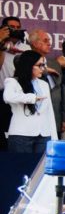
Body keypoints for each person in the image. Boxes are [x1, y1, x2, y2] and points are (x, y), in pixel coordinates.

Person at [2, 50, 57, 152]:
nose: (43, 68)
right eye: (39, 65)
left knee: (41, 167)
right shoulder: (13, 81)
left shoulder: (44, 84)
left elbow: (49, 112)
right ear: (29, 65)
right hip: (21, 135)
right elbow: (8, 97)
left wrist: (54, 138)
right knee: (20, 166)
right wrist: (32, 98)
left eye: (44, 65)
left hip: (44, 135)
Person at [28, 28, 65, 138]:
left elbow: (62, 90)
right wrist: (45, 70)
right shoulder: (24, 60)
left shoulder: (54, 63)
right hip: (35, 115)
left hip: (56, 115)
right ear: (35, 44)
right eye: (45, 40)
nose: (49, 43)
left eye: (49, 40)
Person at [0, 16, 30, 145]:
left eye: (18, 27)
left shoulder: (26, 48)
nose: (16, 30)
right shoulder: (1, 45)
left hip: (20, 96)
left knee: (17, 132)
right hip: (1, 94)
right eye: (12, 27)